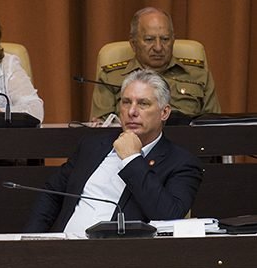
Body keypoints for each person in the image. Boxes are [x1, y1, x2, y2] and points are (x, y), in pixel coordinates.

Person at [26, 69, 203, 236]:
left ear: (164, 112)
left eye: (143, 104)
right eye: (126, 102)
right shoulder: (92, 145)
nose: (132, 112)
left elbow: (169, 217)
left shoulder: (181, 163)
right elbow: (52, 194)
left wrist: (132, 159)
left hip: (121, 260)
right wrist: (27, 246)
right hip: (63, 254)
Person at [90, 7, 220, 122]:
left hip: (188, 145)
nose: (158, 47)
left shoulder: (199, 76)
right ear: (133, 44)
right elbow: (102, 130)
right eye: (149, 40)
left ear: (173, 40)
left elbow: (215, 126)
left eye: (165, 39)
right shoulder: (111, 77)